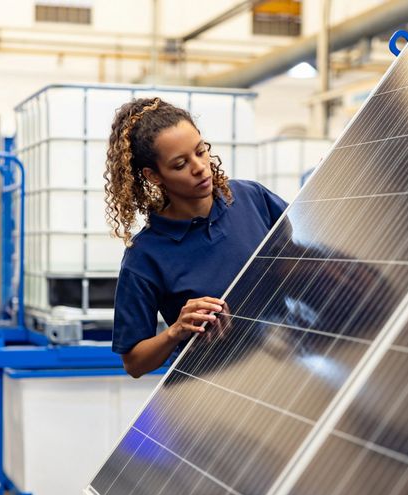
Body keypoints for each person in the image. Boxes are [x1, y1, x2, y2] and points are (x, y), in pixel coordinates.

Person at [104, 97, 287, 378]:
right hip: (217, 390)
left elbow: (306, 253)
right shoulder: (145, 255)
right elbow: (135, 364)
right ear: (154, 176)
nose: (199, 167)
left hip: (290, 365)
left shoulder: (253, 198)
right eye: (180, 164)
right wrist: (176, 331)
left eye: (200, 151)